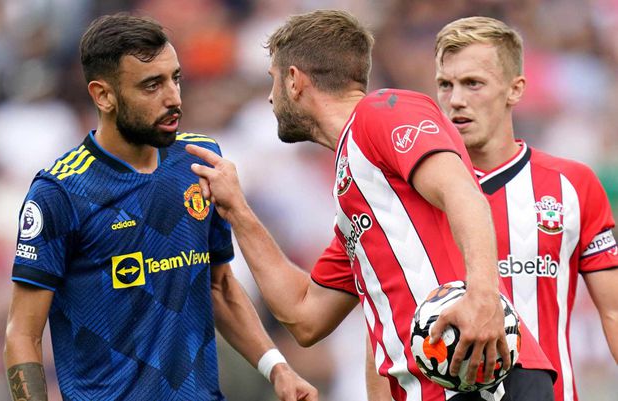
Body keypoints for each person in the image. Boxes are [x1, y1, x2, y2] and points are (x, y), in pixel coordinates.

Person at [187, 9, 555, 401]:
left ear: (294, 80)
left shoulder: (382, 111)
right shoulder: (357, 196)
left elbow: (463, 193)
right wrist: (237, 210)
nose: (270, 96)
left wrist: (483, 300)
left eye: (273, 80)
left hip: (481, 376)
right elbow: (304, 315)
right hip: (435, 387)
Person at [3, 13, 318, 401]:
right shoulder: (60, 192)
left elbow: (218, 285)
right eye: (152, 85)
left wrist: (277, 369)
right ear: (103, 95)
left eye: (176, 79)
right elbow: (22, 334)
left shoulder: (199, 161)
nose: (173, 98)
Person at [432, 16, 618, 401]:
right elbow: (378, 327)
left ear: (515, 90)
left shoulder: (572, 185)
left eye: (473, 84)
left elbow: (614, 312)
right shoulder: (410, 191)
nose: (456, 100)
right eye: (445, 85)